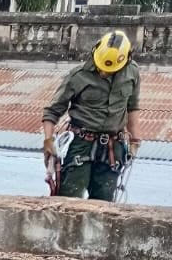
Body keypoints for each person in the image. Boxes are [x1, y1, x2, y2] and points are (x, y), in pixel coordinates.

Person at [41, 30, 142, 200]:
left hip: (112, 147)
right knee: (69, 199)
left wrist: (134, 141)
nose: (104, 73)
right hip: (81, 144)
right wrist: (48, 141)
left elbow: (132, 107)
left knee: (104, 202)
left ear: (126, 59)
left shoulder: (132, 72)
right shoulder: (78, 76)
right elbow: (52, 111)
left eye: (109, 71)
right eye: (102, 68)